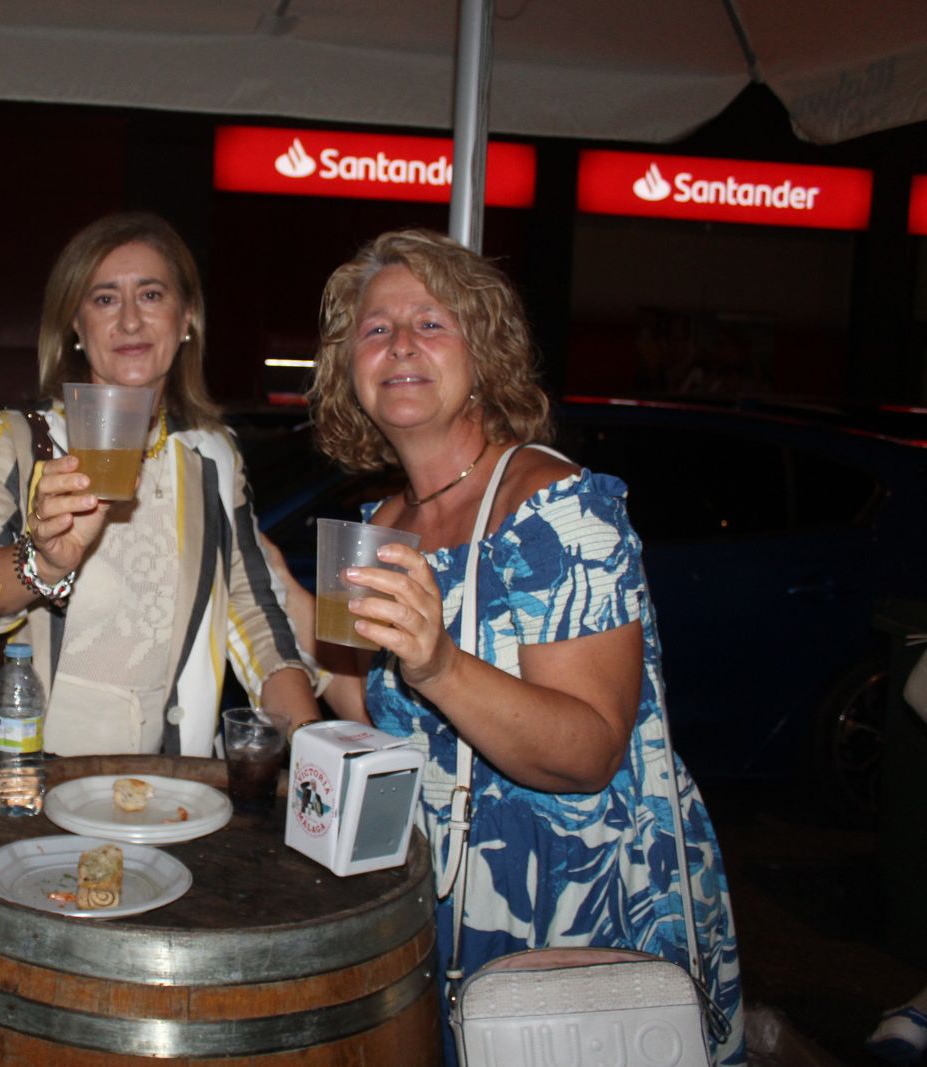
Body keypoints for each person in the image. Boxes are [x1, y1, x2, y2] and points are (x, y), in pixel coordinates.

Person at [304, 229, 745, 1065]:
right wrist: (294, 623)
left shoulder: (557, 507)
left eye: (430, 322)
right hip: (437, 891)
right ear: (347, 369)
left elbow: (589, 752)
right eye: (375, 329)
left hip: (574, 898)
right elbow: (382, 722)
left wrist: (438, 663)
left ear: (484, 350)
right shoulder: (378, 527)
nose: (399, 343)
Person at [0, 211, 319, 756]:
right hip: (38, 782)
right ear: (75, 325)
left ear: (187, 318)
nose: (131, 322)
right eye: (105, 299)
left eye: (152, 295)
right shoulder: (20, 440)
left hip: (172, 787)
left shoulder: (209, 452)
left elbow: (253, 614)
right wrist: (43, 561)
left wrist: (316, 752)